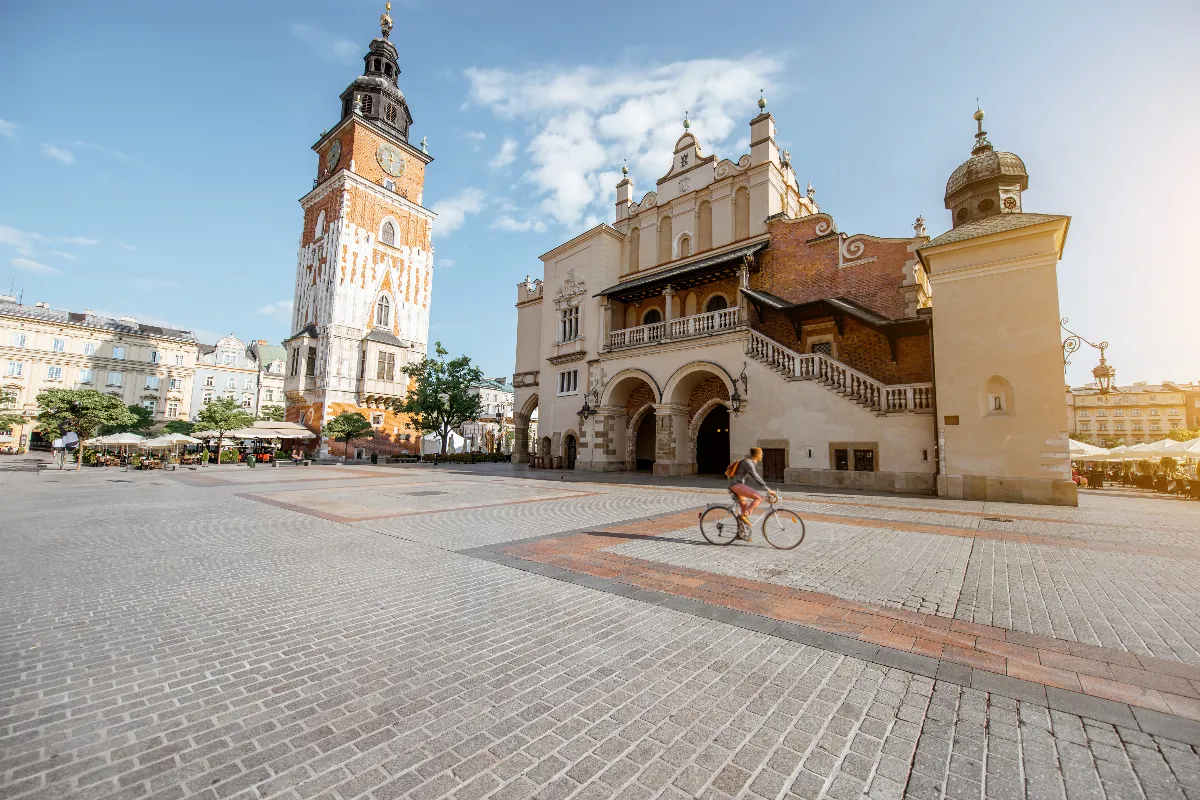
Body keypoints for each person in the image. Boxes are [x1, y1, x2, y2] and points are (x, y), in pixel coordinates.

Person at [727, 447, 778, 532]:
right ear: (758, 455)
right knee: (759, 498)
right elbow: (756, 477)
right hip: (736, 485)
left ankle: (741, 532)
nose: (762, 455)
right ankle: (744, 516)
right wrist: (767, 489)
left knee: (744, 507)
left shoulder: (748, 462)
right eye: (761, 453)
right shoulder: (748, 463)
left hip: (734, 484)